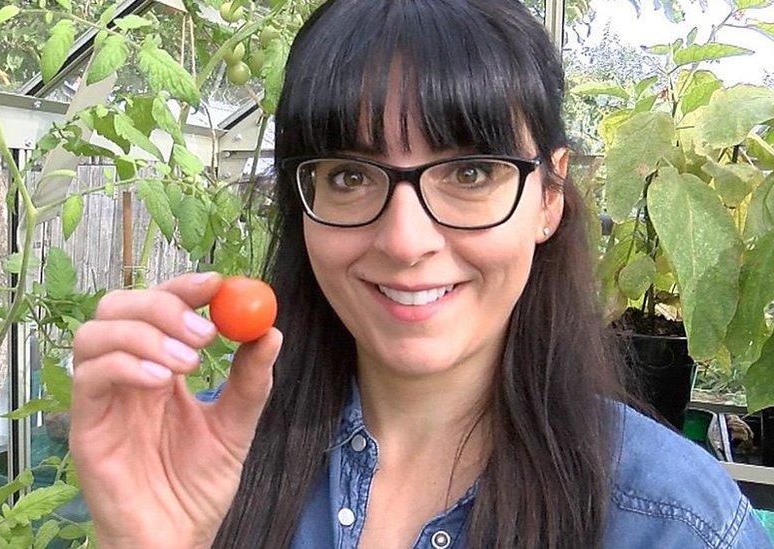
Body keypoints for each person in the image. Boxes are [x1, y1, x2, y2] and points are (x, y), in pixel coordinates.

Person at [68, 1, 772, 547]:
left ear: (548, 198)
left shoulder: (673, 523)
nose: (406, 241)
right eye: (348, 174)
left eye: (470, 170)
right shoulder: (199, 463)